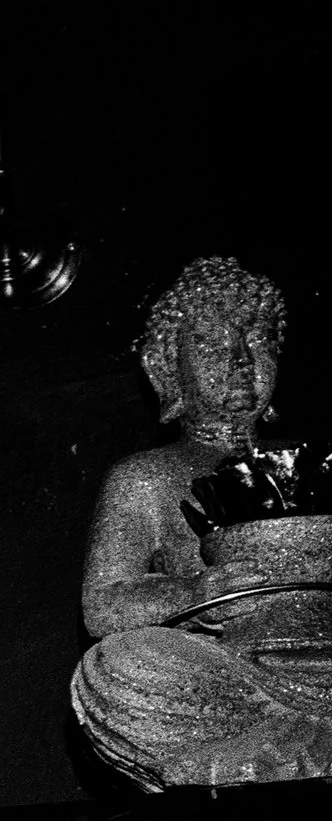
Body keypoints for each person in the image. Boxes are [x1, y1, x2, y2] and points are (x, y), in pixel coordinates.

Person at [72, 256, 332, 787]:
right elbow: (103, 606)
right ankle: (285, 745)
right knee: (117, 666)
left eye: (257, 342)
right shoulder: (145, 479)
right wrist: (194, 592)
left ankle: (286, 749)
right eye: (213, 346)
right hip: (234, 677)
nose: (240, 360)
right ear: (167, 366)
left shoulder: (318, 464)